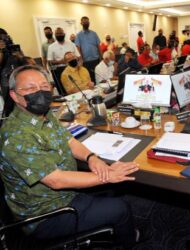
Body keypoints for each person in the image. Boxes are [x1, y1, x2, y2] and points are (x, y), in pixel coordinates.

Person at [0, 64, 139, 248]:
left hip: (65, 194)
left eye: (44, 86)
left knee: (112, 190)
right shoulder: (17, 135)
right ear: (14, 96)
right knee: (120, 208)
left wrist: (92, 158)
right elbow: (56, 181)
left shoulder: (44, 113)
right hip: (46, 214)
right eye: (30, 88)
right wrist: (107, 176)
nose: (39, 92)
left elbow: (69, 140)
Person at [75, 16, 101, 82]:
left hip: (96, 60)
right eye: (84, 22)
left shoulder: (94, 34)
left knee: (98, 77)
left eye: (87, 22)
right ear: (81, 23)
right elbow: (78, 48)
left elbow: (98, 46)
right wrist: (81, 60)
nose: (86, 23)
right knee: (89, 79)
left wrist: (101, 58)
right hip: (86, 62)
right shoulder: (78, 35)